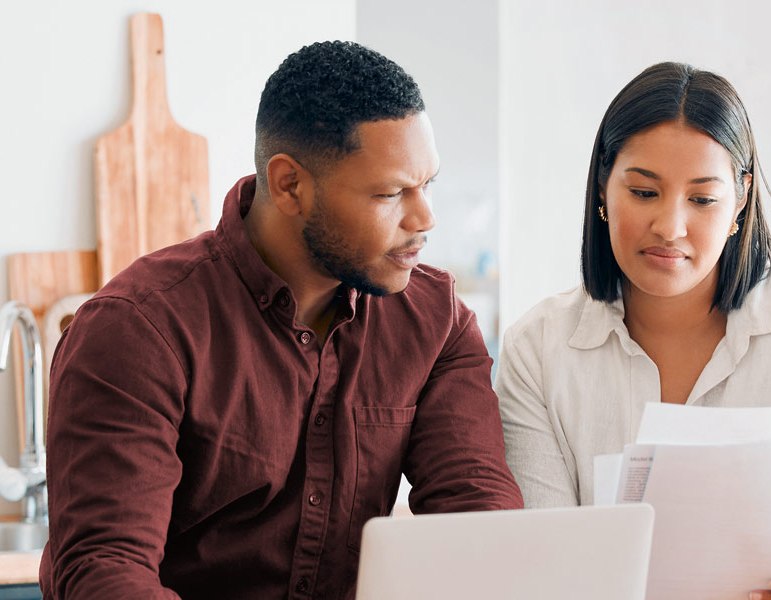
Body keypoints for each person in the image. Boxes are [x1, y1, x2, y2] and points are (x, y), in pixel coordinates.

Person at [40, 41, 523, 600]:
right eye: (391, 193)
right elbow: (105, 573)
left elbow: (479, 523)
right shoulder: (138, 331)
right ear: (290, 184)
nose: (425, 218)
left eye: (428, 184)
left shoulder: (437, 323)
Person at [495, 61, 771, 600]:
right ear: (604, 189)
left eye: (702, 199)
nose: (670, 227)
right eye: (644, 192)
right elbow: (547, 567)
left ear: (740, 200)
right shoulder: (538, 350)